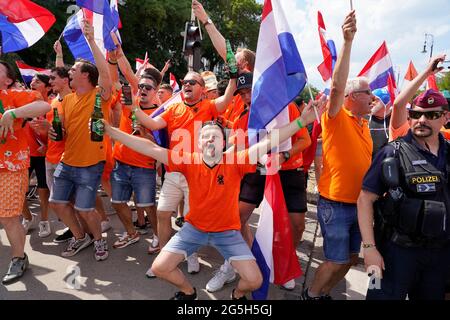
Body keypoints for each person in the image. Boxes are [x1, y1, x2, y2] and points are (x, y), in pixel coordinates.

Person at [103, 94, 318, 300]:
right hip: (193, 230)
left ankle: (237, 295)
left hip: (227, 233)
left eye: (215, 136)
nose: (209, 140)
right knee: (160, 268)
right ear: (197, 143)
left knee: (254, 280)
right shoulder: (189, 160)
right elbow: (149, 148)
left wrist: (301, 121)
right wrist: (112, 132)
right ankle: (188, 293)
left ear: (223, 143)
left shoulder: (235, 160)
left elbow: (269, 142)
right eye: (205, 137)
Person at [207, 72, 311, 292]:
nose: (245, 97)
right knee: (237, 218)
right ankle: (233, 264)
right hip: (256, 170)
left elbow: (305, 140)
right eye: (242, 93)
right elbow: (234, 149)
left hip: (288, 170)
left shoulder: (287, 108)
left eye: (249, 91)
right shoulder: (242, 119)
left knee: (297, 224)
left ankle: (284, 264)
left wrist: (283, 156)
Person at [133, 71, 237, 276]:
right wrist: (133, 106)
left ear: (202, 89)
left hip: (198, 175)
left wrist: (233, 78)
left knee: (192, 220)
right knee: (163, 213)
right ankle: (163, 257)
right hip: (173, 172)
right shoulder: (173, 108)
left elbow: (226, 99)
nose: (186, 84)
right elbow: (153, 124)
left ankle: (191, 255)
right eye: (184, 81)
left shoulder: (209, 106)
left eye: (191, 82)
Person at [302, 10, 375, 300]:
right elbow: (335, 87)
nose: (373, 97)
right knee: (334, 259)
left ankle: (324, 293)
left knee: (349, 259)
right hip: (336, 205)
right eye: (368, 92)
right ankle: (312, 294)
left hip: (359, 205)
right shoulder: (337, 117)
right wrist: (348, 41)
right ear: (351, 98)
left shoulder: (365, 124)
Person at [357, 89, 450, 300]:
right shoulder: (392, 152)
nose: (422, 120)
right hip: (393, 251)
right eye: (416, 115)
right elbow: (365, 199)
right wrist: (369, 249)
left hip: (440, 254)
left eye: (432, 115)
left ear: (446, 117)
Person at [48, 20, 112, 261]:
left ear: (86, 75)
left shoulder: (99, 95)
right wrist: (53, 131)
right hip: (67, 162)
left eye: (73, 70)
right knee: (57, 202)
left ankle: (98, 240)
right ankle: (79, 236)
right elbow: (62, 129)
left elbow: (104, 73)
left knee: (85, 208)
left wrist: (92, 40)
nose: (68, 73)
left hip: (90, 163)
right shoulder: (67, 99)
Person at [0, 60, 51, 284]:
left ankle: (19, 257)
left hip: (11, 167)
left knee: (8, 217)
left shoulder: (14, 96)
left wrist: (12, 113)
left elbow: (44, 107)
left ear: (8, 79)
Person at [110, 69, 162, 249]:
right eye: (140, 87)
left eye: (148, 87)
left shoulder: (159, 113)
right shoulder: (128, 103)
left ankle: (158, 236)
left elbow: (160, 145)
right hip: (120, 163)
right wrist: (113, 57)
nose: (143, 90)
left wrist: (144, 133)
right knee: (117, 202)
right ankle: (131, 233)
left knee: (148, 206)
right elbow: (114, 78)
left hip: (143, 167)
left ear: (156, 91)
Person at [22, 73, 52, 236]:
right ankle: (28, 217)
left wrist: (46, 143)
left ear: (48, 87)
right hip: (23, 154)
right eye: (32, 81)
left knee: (42, 190)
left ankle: (44, 220)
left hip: (42, 155)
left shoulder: (50, 106)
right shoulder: (23, 103)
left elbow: (57, 134)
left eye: (37, 82)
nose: (32, 84)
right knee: (18, 190)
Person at [369, 88, 392, 158]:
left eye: (374, 100)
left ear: (385, 101)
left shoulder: (395, 119)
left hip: (389, 164)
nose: (371, 102)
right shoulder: (363, 119)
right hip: (369, 165)